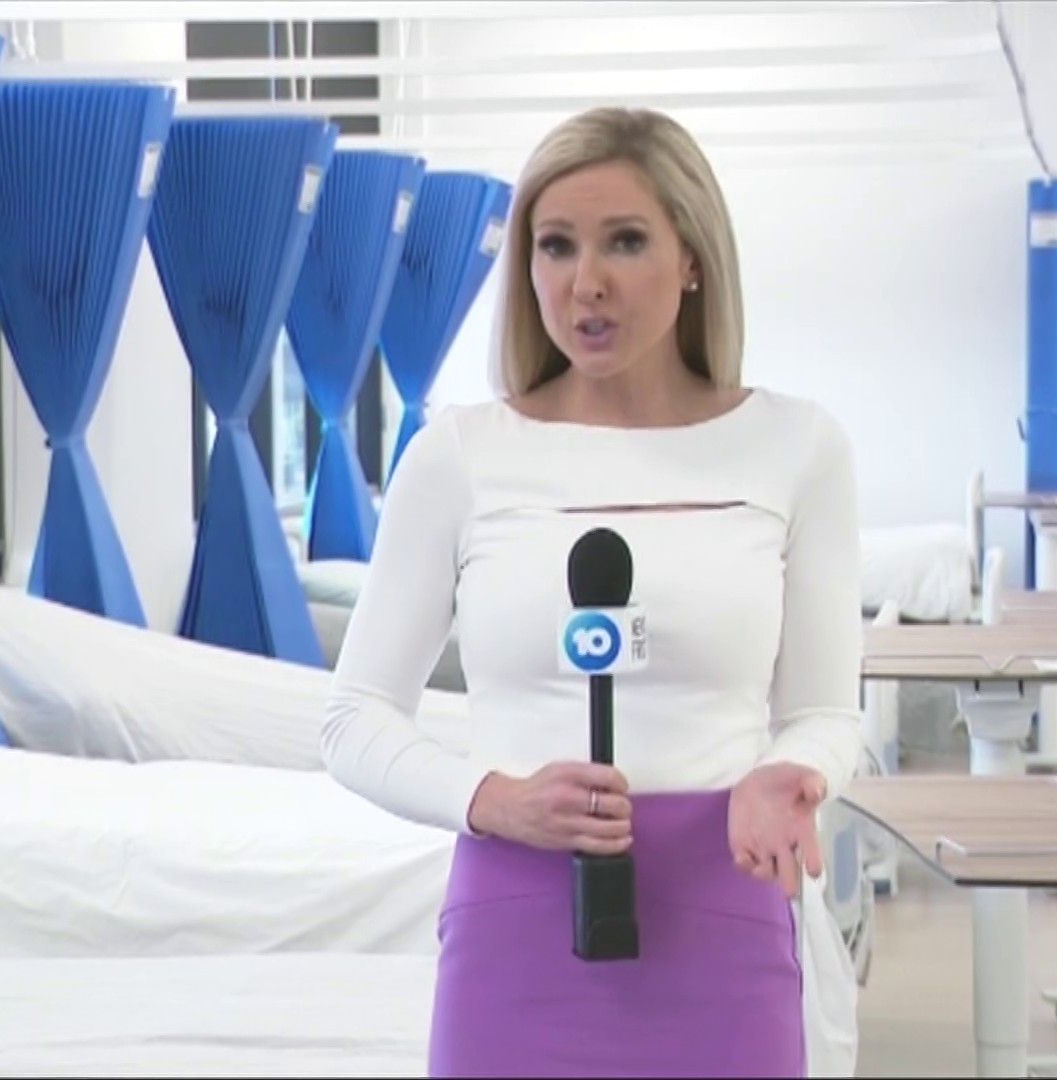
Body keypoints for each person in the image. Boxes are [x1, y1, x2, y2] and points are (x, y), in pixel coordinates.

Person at [322, 106, 864, 1078]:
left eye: (625, 241)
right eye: (556, 246)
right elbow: (353, 719)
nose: (587, 283)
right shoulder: (459, 456)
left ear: (692, 258)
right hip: (518, 917)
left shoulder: (797, 448)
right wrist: (494, 800)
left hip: (723, 908)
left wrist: (790, 773)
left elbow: (826, 712)